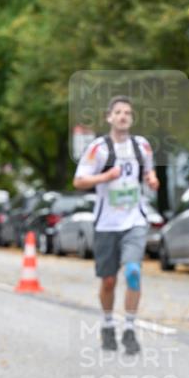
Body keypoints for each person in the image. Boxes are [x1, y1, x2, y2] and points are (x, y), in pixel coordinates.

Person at [72, 96, 159, 355]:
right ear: (109, 117)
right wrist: (106, 176)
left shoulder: (141, 146)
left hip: (135, 220)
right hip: (106, 224)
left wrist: (153, 180)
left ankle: (130, 329)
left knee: (133, 271)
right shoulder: (98, 149)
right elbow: (79, 181)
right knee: (108, 280)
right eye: (119, 112)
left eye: (128, 113)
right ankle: (108, 324)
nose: (123, 116)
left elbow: (149, 172)